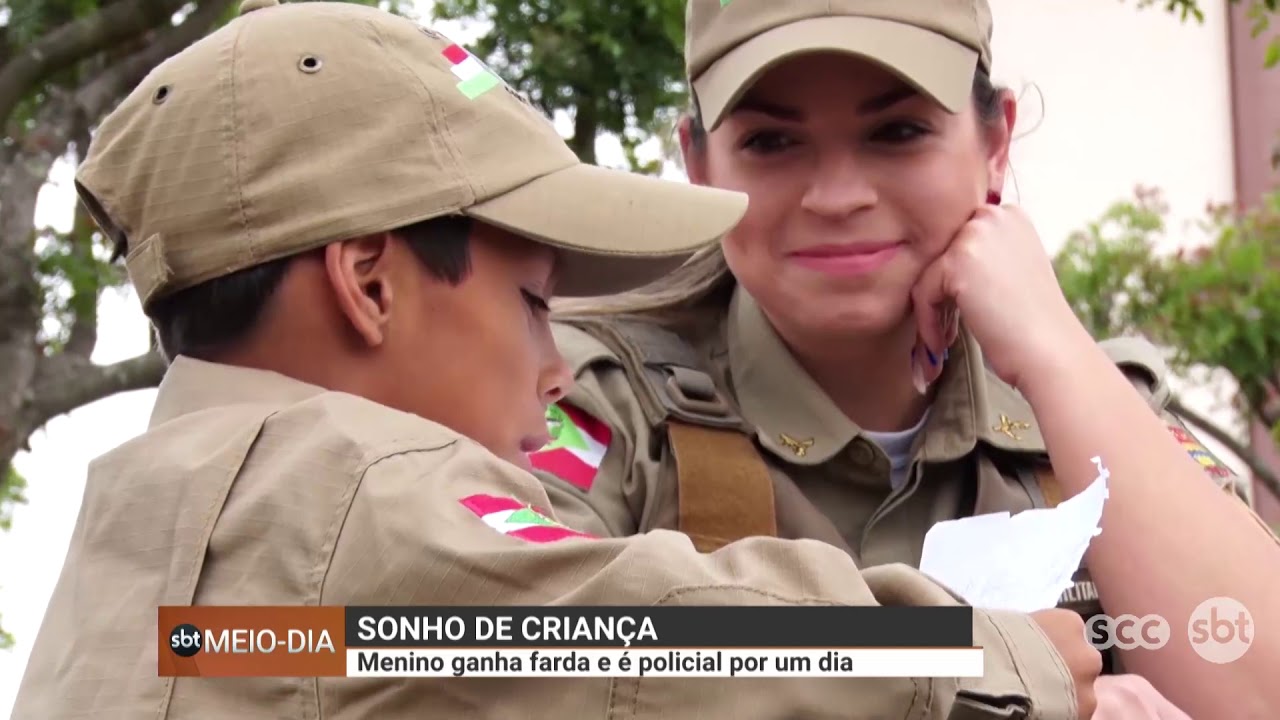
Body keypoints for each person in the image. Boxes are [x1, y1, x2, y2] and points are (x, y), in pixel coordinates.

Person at [9, 1, 1105, 719]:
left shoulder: (152, 508)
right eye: (532, 302)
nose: (553, 367)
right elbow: (667, 636)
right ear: (369, 282)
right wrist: (1023, 663)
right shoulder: (362, 493)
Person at [534, 0, 1280, 718]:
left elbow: (1257, 694)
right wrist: (1002, 680)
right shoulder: (582, 400)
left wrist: (1058, 355)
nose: (837, 195)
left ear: (996, 146)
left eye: (897, 131)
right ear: (698, 164)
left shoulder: (1092, 407)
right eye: (771, 142)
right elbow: (496, 655)